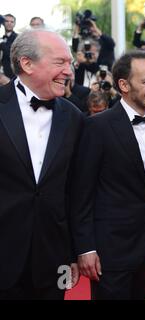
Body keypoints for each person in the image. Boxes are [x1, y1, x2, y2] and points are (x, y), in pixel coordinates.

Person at [70, 50, 145, 300]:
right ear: (123, 85)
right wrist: (85, 247)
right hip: (109, 249)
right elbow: (81, 193)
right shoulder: (96, 127)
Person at [0, 29, 83, 299]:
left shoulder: (74, 118)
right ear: (27, 64)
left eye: (69, 63)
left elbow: (76, 191)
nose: (68, 71)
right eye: (60, 62)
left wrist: (75, 251)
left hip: (53, 257)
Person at [0, 14, 18, 78]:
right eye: (7, 21)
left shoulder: (18, 38)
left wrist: (2, 44)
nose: (9, 23)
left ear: (14, 24)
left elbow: (14, 54)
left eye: (12, 22)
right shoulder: (2, 38)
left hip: (12, 75)